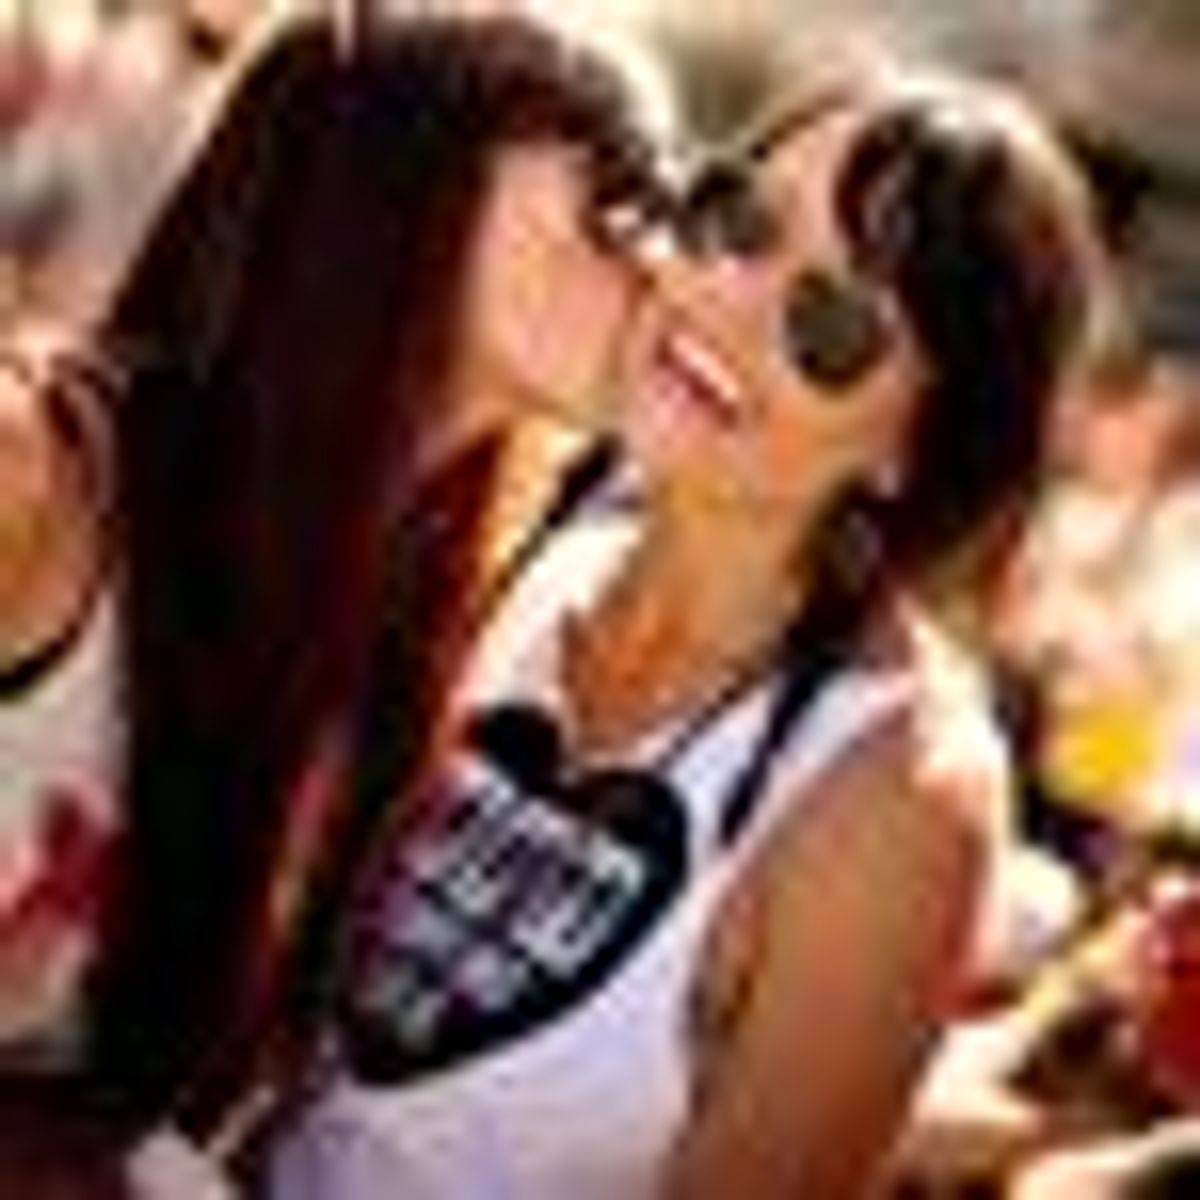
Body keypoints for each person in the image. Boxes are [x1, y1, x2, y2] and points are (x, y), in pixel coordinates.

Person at [266, 63, 1110, 1199]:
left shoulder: (900, 796)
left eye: (831, 323)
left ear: (915, 450)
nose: (731, 301)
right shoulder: (516, 539)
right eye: (742, 221)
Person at [0, 10, 664, 1185]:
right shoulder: (43, 473)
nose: (660, 257)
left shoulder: (410, 622)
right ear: (413, 166)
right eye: (618, 190)